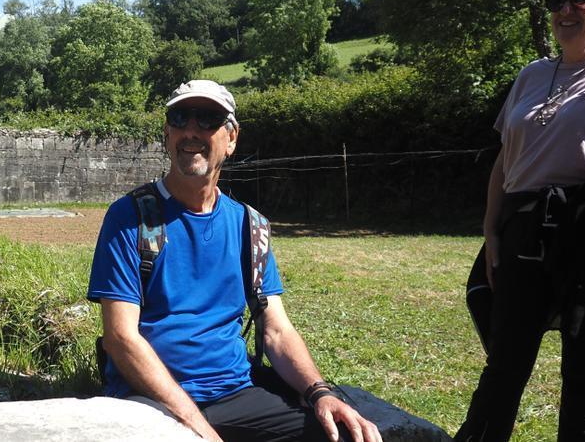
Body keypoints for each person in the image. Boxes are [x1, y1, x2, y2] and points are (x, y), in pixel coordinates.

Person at [88, 79, 381, 442]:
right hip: (149, 400)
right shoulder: (130, 217)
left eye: (208, 119)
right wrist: (202, 431)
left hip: (235, 394)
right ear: (167, 134)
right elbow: (120, 338)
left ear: (232, 138)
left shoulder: (250, 226)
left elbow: (276, 329)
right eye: (180, 118)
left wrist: (320, 393)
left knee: (342, 435)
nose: (191, 131)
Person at [455, 0, 585, 442]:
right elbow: (505, 160)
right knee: (505, 361)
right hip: (524, 222)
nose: (564, 10)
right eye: (556, 0)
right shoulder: (533, 74)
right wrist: (492, 231)